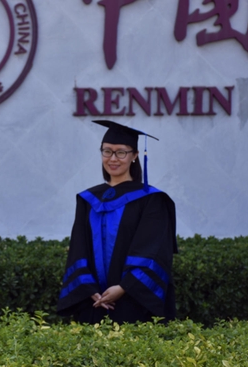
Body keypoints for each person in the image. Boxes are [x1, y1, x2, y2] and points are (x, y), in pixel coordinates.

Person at [57, 120, 177, 324]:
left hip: (134, 301)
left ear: (134, 156)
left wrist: (123, 288)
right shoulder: (88, 200)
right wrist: (90, 288)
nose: (113, 158)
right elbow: (79, 247)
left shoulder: (151, 200)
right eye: (107, 151)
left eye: (121, 152)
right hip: (94, 301)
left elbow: (154, 251)